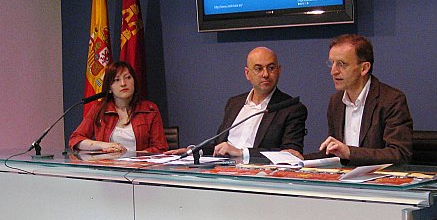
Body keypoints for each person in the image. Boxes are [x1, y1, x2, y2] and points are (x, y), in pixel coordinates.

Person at [169, 46, 307, 160]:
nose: (265, 74)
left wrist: (242, 153)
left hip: (259, 175)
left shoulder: (291, 108)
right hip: (223, 171)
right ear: (247, 73)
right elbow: (220, 146)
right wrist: (194, 151)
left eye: (271, 68)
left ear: (279, 71)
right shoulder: (234, 103)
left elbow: (291, 154)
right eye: (258, 68)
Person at [301, 34, 413, 166]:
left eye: (341, 64)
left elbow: (399, 154)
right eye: (332, 63)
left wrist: (349, 152)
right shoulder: (336, 101)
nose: (333, 71)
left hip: (377, 178)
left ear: (364, 68)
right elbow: (334, 153)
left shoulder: (391, 100)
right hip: (344, 176)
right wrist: (299, 158)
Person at [69, 61, 168, 153]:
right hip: (108, 164)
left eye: (128, 78)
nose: (123, 83)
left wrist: (134, 157)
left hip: (140, 165)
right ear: (109, 88)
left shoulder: (150, 109)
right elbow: (75, 139)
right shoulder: (98, 109)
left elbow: (160, 148)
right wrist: (103, 145)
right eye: (117, 80)